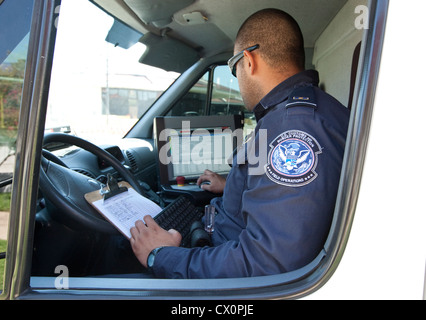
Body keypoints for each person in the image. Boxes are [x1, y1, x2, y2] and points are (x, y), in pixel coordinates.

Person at [130, 9, 350, 278]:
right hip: (217, 243)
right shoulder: (288, 115)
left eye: (234, 70)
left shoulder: (294, 130)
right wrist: (233, 185)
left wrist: (163, 256)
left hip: (224, 267)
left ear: (248, 61)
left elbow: (265, 264)